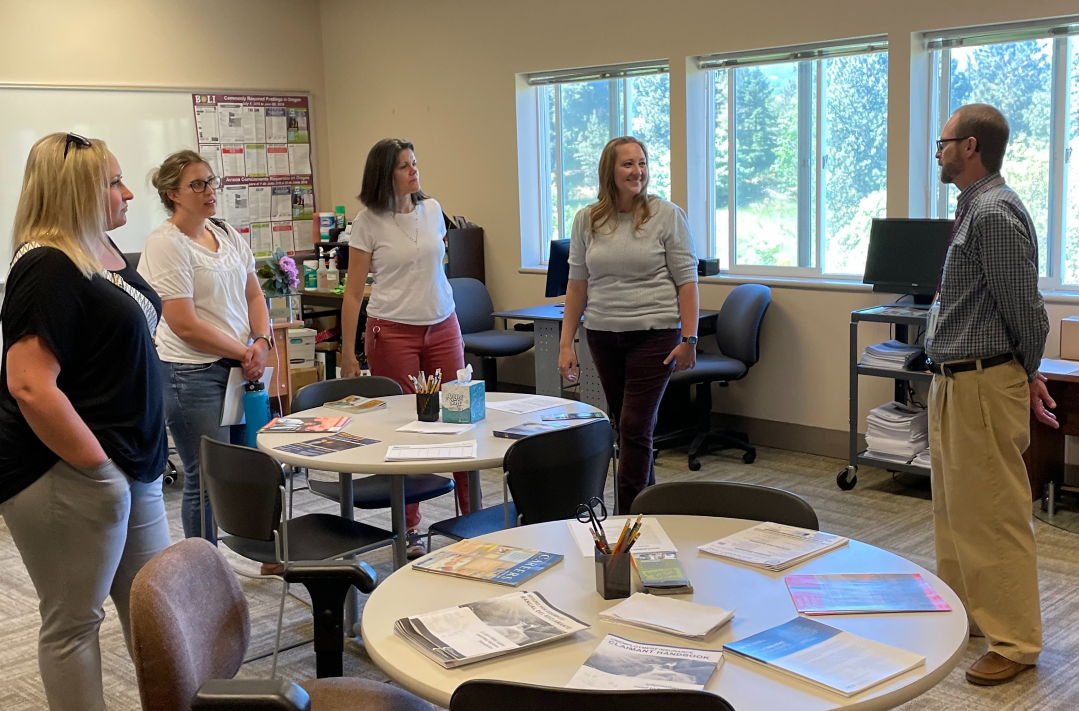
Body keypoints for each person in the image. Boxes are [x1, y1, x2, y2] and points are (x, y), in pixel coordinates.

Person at [0, 133, 171, 711]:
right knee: (74, 621)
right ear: (75, 192)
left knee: (157, 612)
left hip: (132, 463)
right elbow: (28, 382)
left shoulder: (96, 247)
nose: (127, 193)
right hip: (66, 469)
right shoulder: (46, 264)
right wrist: (99, 469)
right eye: (112, 183)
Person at [926, 103, 1054, 686]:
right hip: (956, 380)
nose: (938, 149)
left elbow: (1025, 311)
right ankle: (967, 614)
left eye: (944, 140)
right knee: (956, 512)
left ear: (970, 146)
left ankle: (1016, 641)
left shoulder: (996, 213)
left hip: (983, 381)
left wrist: (1025, 373)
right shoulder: (973, 209)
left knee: (993, 515)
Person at [340, 138, 475, 558]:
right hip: (392, 332)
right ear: (385, 173)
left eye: (415, 163)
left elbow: (432, 268)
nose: (413, 171)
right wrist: (348, 352)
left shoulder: (433, 211)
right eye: (403, 166)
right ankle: (410, 526)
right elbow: (354, 291)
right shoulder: (368, 222)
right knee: (407, 428)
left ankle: (469, 517)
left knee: (460, 419)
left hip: (443, 325)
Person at [558, 136, 699, 514]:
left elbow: (687, 282)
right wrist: (566, 343)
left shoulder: (666, 215)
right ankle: (648, 511)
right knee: (628, 427)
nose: (638, 171)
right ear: (610, 171)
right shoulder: (587, 219)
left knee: (635, 428)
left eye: (642, 163)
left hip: (654, 336)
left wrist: (690, 337)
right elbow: (577, 284)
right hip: (604, 335)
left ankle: (627, 517)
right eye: (628, 164)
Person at [137, 150, 272, 543]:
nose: (210, 190)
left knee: (248, 465)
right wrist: (244, 351)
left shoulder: (227, 233)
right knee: (205, 476)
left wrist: (260, 341)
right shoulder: (166, 244)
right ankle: (203, 571)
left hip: (239, 367)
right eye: (197, 184)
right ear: (172, 193)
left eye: (212, 181)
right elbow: (184, 324)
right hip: (190, 374)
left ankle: (258, 549)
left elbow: (254, 297)